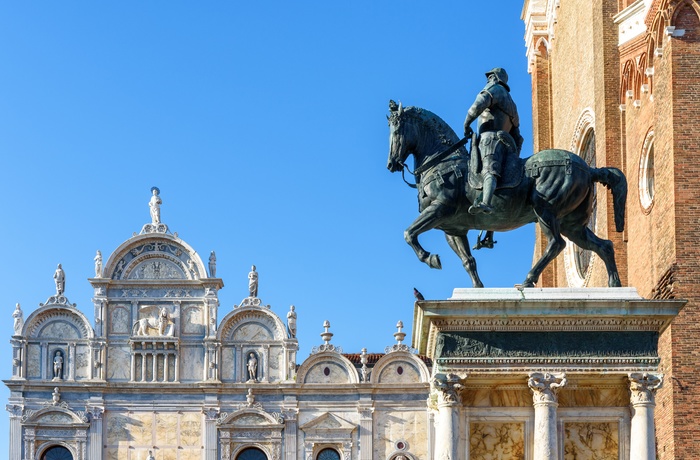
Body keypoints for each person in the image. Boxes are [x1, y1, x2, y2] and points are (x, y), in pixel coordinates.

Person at [463, 67, 523, 216]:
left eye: (490, 77)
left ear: (495, 78)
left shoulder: (494, 89)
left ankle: (486, 203)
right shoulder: (513, 105)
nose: (488, 80)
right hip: (506, 144)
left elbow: (479, 104)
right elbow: (518, 136)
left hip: (490, 139)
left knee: (489, 170)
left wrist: (467, 123)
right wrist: (515, 153)